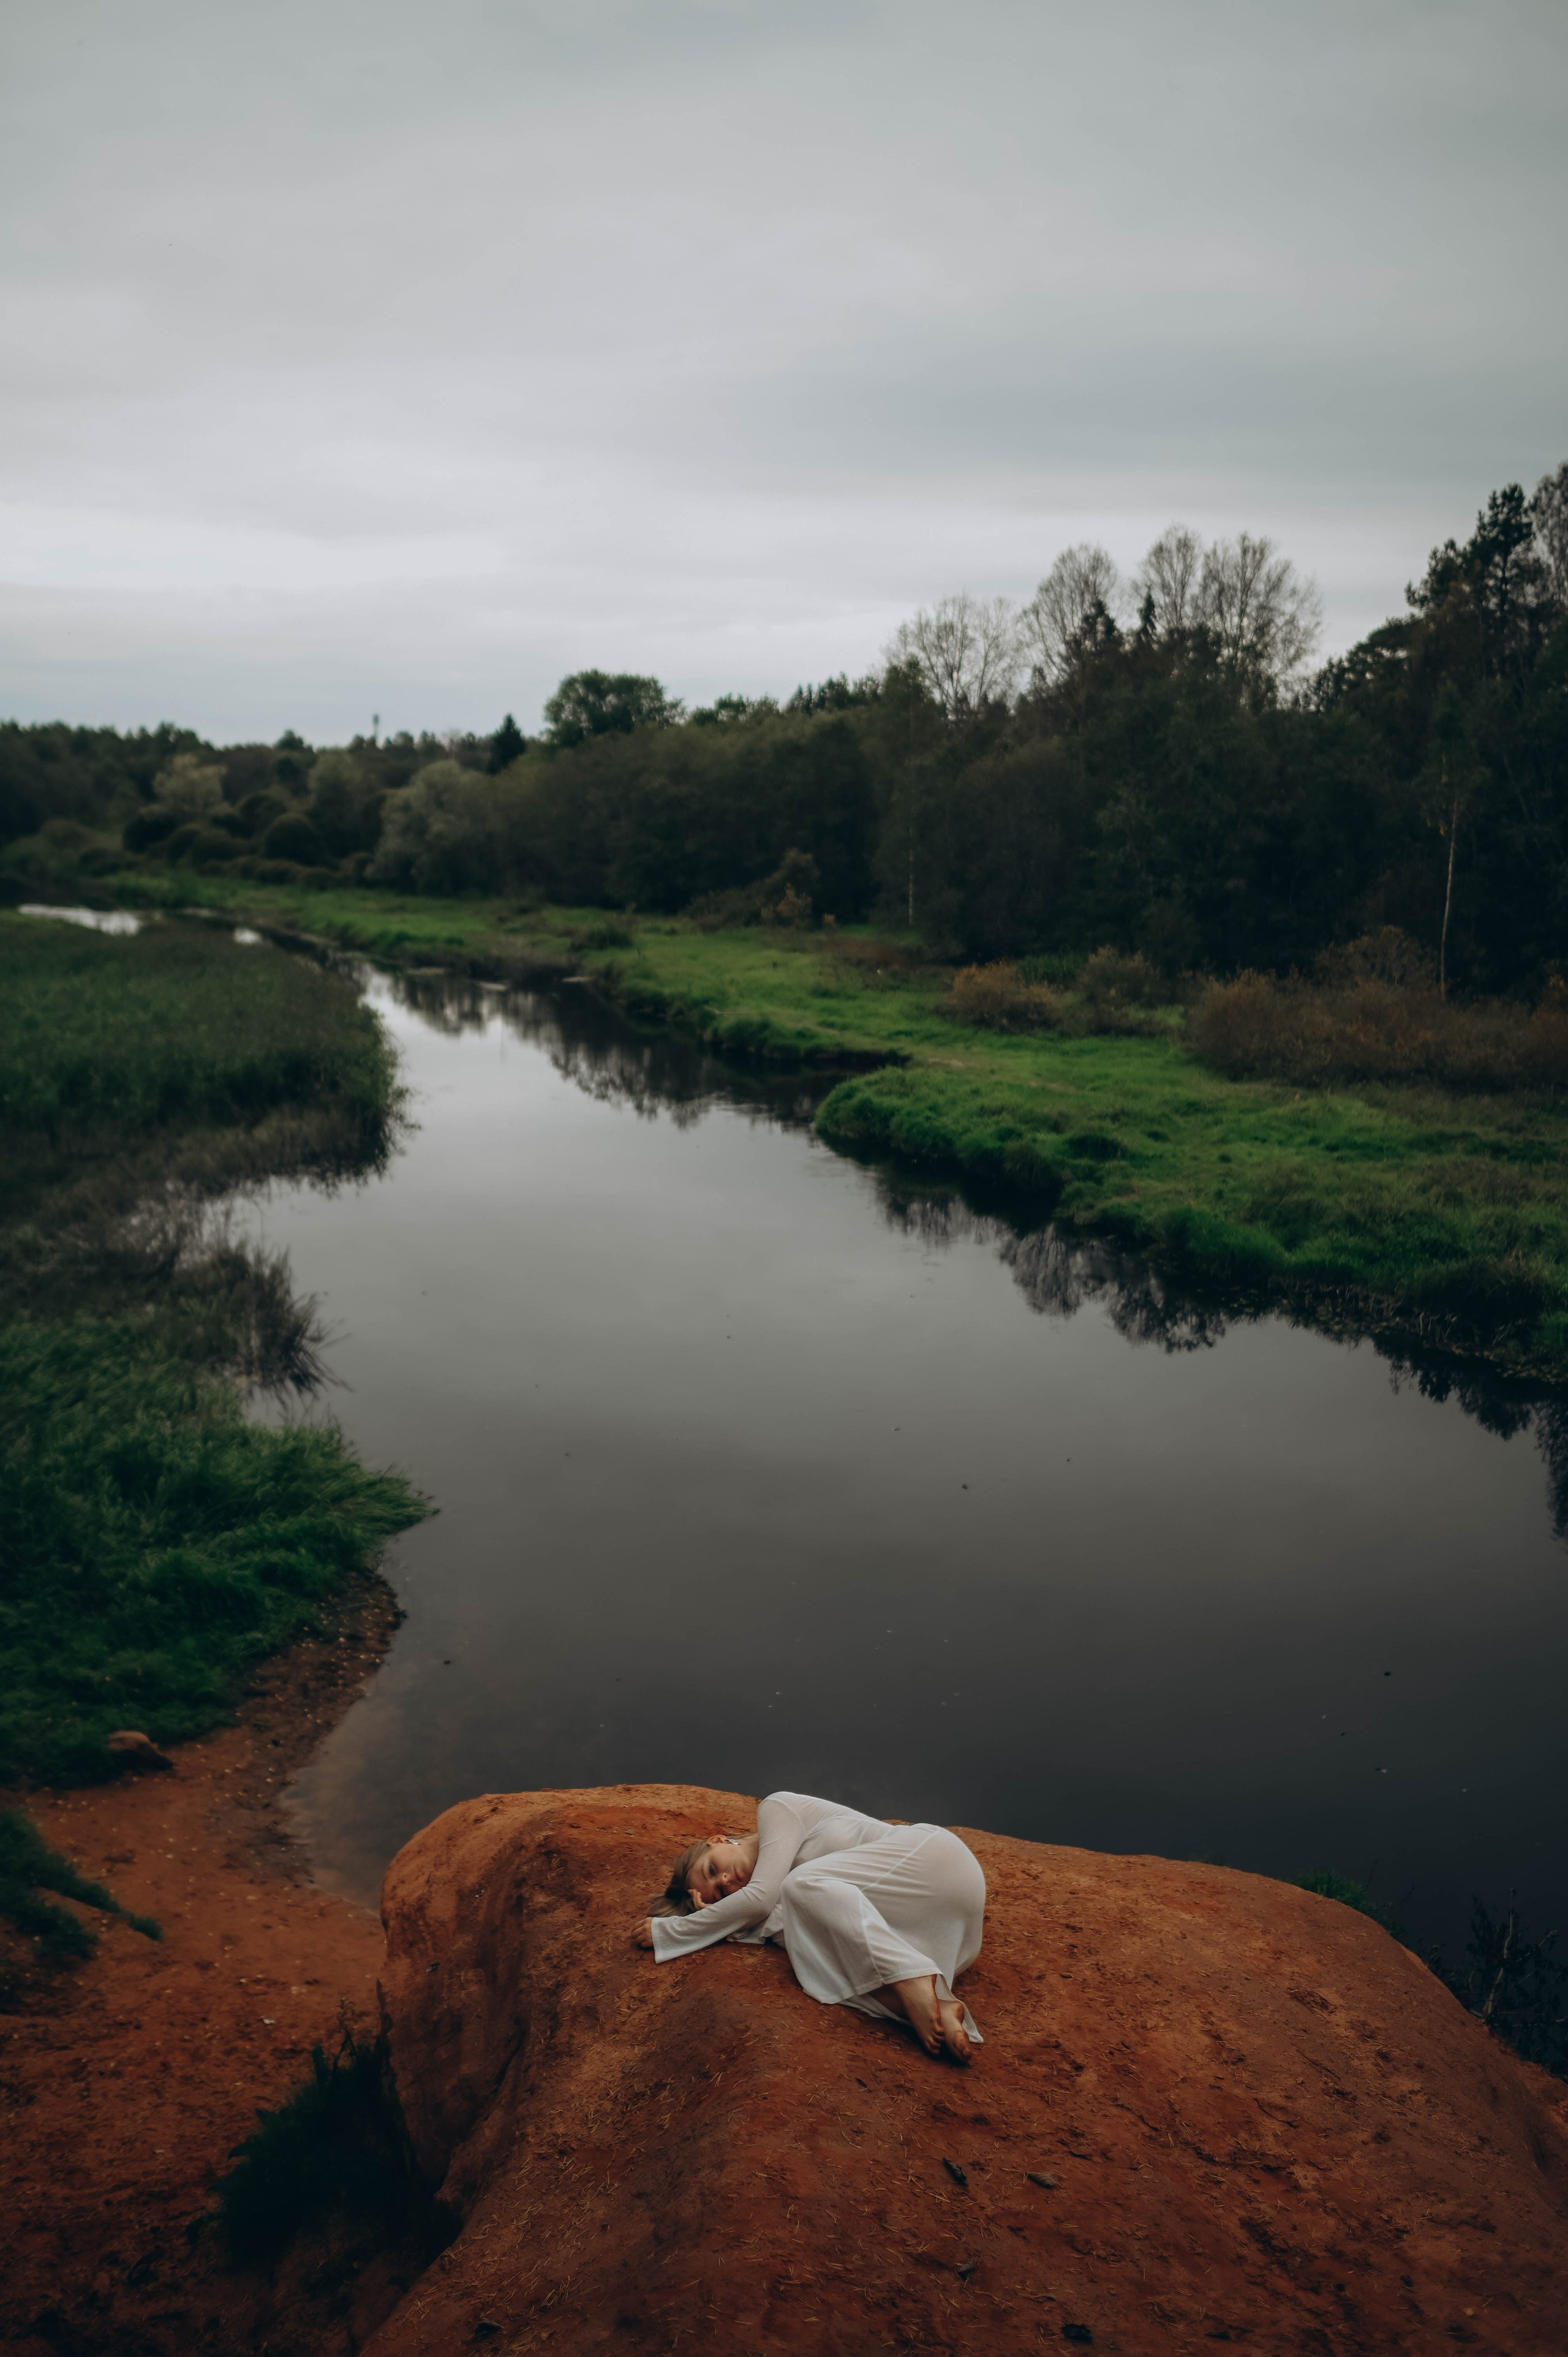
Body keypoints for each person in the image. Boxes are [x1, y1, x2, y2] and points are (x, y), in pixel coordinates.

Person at [632, 1790, 984, 2063]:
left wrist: (674, 1931)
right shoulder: (786, 1904)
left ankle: (911, 1980)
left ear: (718, 1839)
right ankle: (930, 2005)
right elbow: (771, 1914)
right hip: (938, 1931)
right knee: (814, 1960)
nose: (727, 1880)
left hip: (935, 1861)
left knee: (797, 1888)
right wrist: (726, 1923)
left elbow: (758, 1898)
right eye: (723, 1893)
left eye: (712, 1869)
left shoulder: (778, 1808)